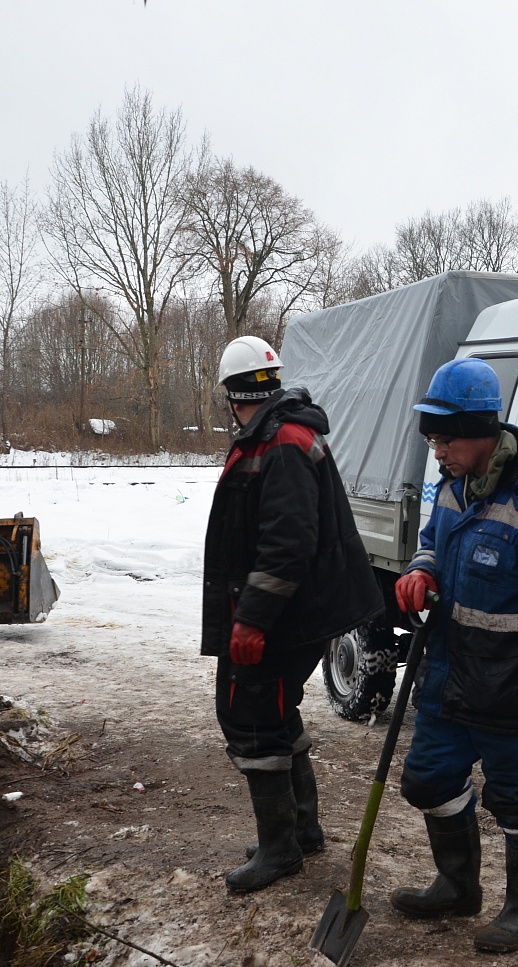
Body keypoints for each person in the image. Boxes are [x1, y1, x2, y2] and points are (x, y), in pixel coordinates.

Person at [388, 356, 518, 954]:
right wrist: (421, 571)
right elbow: (434, 542)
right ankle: (458, 885)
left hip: (511, 688)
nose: (436, 451)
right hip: (450, 676)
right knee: (427, 780)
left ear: (480, 431)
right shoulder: (455, 485)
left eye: (444, 439)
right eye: (431, 439)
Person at [201, 334, 382, 893]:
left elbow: (286, 545)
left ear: (233, 393)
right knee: (275, 711)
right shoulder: (276, 434)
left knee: (251, 713)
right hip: (296, 609)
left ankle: (282, 848)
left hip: (286, 614)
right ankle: (301, 830)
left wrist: (252, 619)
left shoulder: (280, 441)